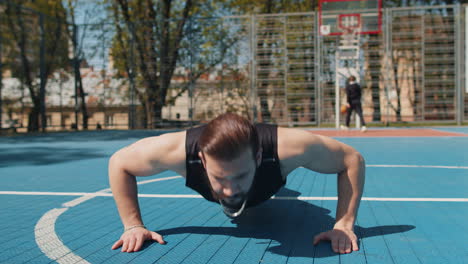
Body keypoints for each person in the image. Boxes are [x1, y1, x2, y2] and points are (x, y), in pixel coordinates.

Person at [109, 113, 365, 255]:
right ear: (202, 160)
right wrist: (133, 225)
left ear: (258, 157)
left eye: (240, 176)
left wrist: (343, 223)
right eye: (220, 178)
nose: (230, 190)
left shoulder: (288, 147)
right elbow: (119, 163)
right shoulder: (174, 151)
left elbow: (352, 159)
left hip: (267, 186)